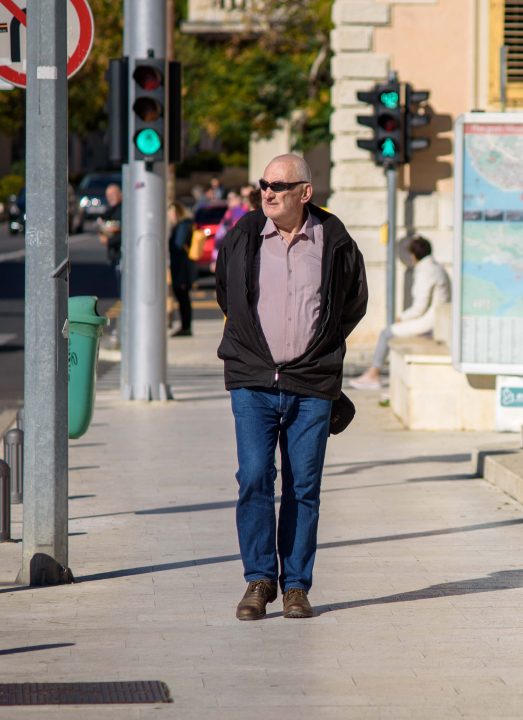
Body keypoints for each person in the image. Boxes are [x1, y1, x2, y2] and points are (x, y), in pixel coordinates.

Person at [215, 154, 367, 620]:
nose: (267, 192)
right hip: (253, 380)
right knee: (256, 478)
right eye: (264, 183)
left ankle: (297, 585)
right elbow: (227, 293)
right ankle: (259, 581)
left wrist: (317, 350)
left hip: (311, 382)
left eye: (279, 185)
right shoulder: (243, 237)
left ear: (305, 192)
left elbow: (352, 302)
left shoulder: (335, 242)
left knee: (304, 487)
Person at [351, 237, 450, 389]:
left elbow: (419, 308)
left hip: (429, 323)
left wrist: (401, 318)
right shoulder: (437, 268)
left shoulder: (426, 272)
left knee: (386, 333)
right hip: (436, 320)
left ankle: (373, 375)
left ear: (413, 255)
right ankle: (375, 372)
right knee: (391, 334)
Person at [168, 202, 196, 337]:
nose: (171, 216)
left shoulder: (183, 225)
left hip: (183, 268)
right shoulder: (181, 225)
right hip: (179, 266)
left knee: (183, 297)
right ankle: (184, 325)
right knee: (181, 298)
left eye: (172, 213)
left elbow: (178, 245)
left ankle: (186, 327)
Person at [97, 184, 123, 274]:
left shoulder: (124, 210)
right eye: (107, 196)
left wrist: (109, 241)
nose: (109, 198)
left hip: (122, 255)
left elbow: (126, 234)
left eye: (112, 194)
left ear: (120, 194)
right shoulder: (112, 210)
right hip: (115, 255)